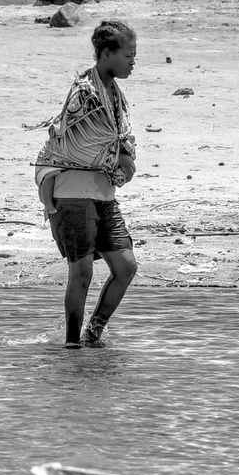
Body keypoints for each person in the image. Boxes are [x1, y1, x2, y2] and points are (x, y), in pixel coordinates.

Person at [35, 21, 139, 346]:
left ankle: (92, 334)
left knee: (126, 267)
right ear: (107, 54)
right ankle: (72, 344)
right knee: (81, 275)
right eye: (128, 55)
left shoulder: (117, 98)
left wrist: (122, 164)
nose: (133, 62)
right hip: (73, 195)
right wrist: (51, 208)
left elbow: (117, 144)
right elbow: (68, 141)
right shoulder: (84, 93)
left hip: (103, 195)